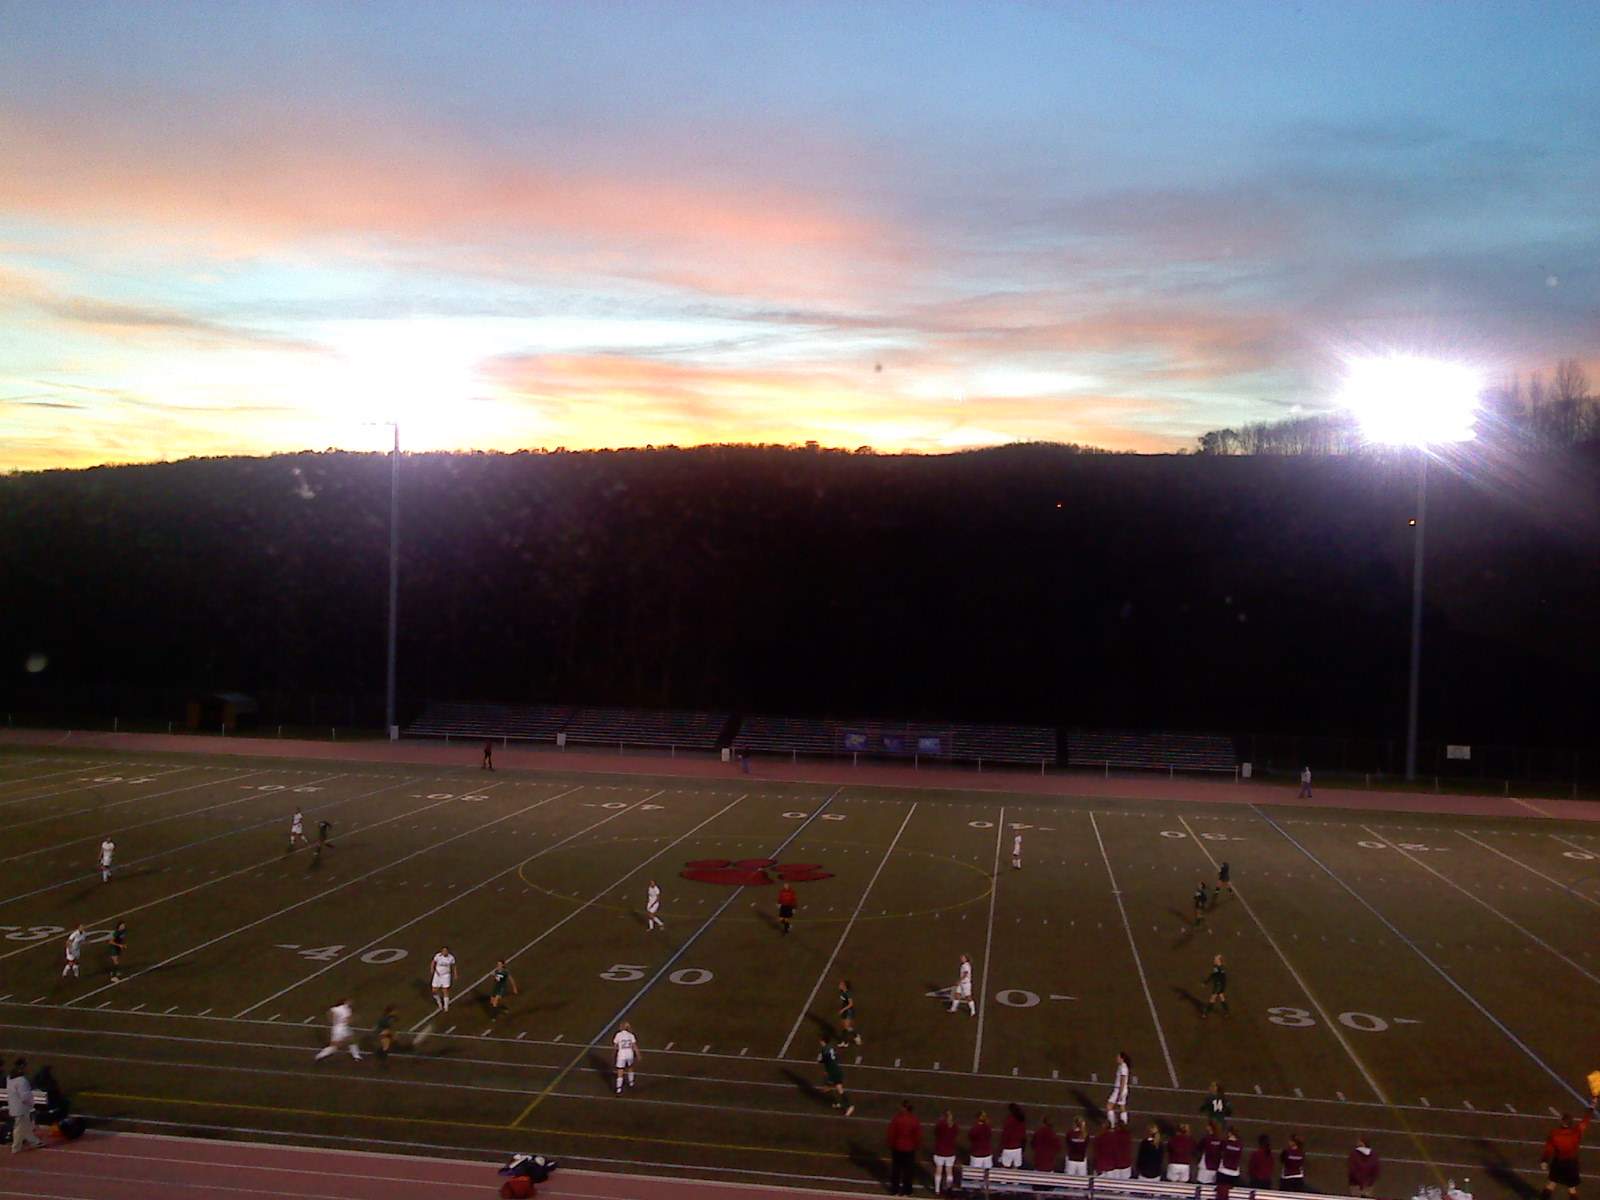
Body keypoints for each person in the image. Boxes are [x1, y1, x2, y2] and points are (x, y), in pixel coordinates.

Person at [1540, 1105, 1594, 1200]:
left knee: (1551, 1184)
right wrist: (1591, 1108)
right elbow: (1585, 1121)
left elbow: (1549, 1149)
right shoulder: (1576, 1132)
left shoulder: (1554, 1134)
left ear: (1561, 1122)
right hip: (1571, 1163)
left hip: (1558, 1162)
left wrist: (1544, 1160)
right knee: (1572, 1189)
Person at [7, 1058, 43, 1153]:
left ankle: (34, 1141)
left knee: (25, 1125)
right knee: (19, 1127)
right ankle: (16, 1147)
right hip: (21, 1108)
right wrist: (32, 1105)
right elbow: (25, 1097)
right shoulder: (22, 1081)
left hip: (14, 1105)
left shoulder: (10, 1078)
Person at [887, 1101, 922, 1196]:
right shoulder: (914, 1120)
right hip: (910, 1149)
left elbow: (891, 1133)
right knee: (908, 1171)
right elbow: (917, 1135)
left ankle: (895, 1189)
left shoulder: (897, 1119)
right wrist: (916, 1145)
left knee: (896, 1170)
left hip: (897, 1147)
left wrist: (890, 1144)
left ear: (904, 1108)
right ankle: (907, 1190)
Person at [818, 1038, 854, 1115]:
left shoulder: (824, 1050)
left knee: (831, 1088)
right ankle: (839, 1103)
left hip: (833, 1072)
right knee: (831, 1088)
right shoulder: (830, 1047)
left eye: (820, 1040)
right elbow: (835, 1057)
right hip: (835, 1069)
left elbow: (825, 1060)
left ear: (823, 1041)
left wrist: (821, 1062)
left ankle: (849, 1105)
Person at [933, 1110, 961, 1194]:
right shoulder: (954, 1126)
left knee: (939, 1170)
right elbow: (956, 1133)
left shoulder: (940, 1125)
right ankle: (949, 1188)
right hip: (950, 1152)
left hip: (940, 1151)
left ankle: (937, 1190)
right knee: (949, 1171)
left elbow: (936, 1133)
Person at [1217, 1125, 1244, 1198]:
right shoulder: (1240, 1144)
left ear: (1229, 1133)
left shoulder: (1225, 1142)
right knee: (1231, 1195)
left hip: (1223, 1171)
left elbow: (1219, 1152)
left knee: (1221, 1193)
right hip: (1234, 1173)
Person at [612, 1021, 638, 1093]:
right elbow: (634, 1046)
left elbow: (615, 1047)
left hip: (621, 1055)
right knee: (630, 1067)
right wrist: (638, 1054)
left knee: (620, 1071)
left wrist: (613, 1054)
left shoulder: (618, 1035)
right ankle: (631, 1083)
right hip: (630, 1054)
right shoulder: (631, 1035)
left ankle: (619, 1089)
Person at [999, 1103, 1026, 1168]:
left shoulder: (1008, 1120)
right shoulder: (1021, 1119)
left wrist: (1000, 1149)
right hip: (1018, 1148)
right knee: (1015, 1170)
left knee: (1005, 1169)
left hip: (1008, 1149)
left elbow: (1005, 1136)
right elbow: (1023, 1136)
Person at [1107, 1051, 1131, 1127]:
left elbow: (1123, 1080)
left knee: (1109, 1106)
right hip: (1121, 1089)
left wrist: (1120, 1093)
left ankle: (1112, 1124)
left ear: (1122, 1058)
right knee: (1122, 1107)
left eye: (1118, 1057)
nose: (1116, 1058)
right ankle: (1124, 1124)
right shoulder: (1122, 1066)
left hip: (1119, 1090)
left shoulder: (1123, 1067)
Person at [968, 1111, 995, 1178]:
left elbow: (971, 1138)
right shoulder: (988, 1128)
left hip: (976, 1155)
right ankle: (985, 1187)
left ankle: (976, 1187)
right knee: (987, 1174)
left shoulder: (974, 1129)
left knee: (975, 1175)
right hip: (987, 1154)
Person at [430, 946, 456, 1012]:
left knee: (445, 990)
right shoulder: (438, 956)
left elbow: (453, 966)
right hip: (437, 975)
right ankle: (439, 1003)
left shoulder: (451, 958)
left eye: (446, 951)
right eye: (443, 951)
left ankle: (446, 1006)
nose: (444, 952)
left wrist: (455, 974)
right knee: (434, 990)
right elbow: (433, 962)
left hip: (446, 976)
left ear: (448, 951)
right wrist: (432, 969)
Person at [837, 978, 861, 1046]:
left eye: (841, 984)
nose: (839, 985)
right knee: (845, 1027)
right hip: (845, 1011)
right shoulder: (842, 992)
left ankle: (856, 1036)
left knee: (846, 1027)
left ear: (844, 986)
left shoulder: (847, 994)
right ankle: (845, 1041)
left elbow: (851, 1004)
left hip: (848, 1012)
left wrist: (842, 1010)